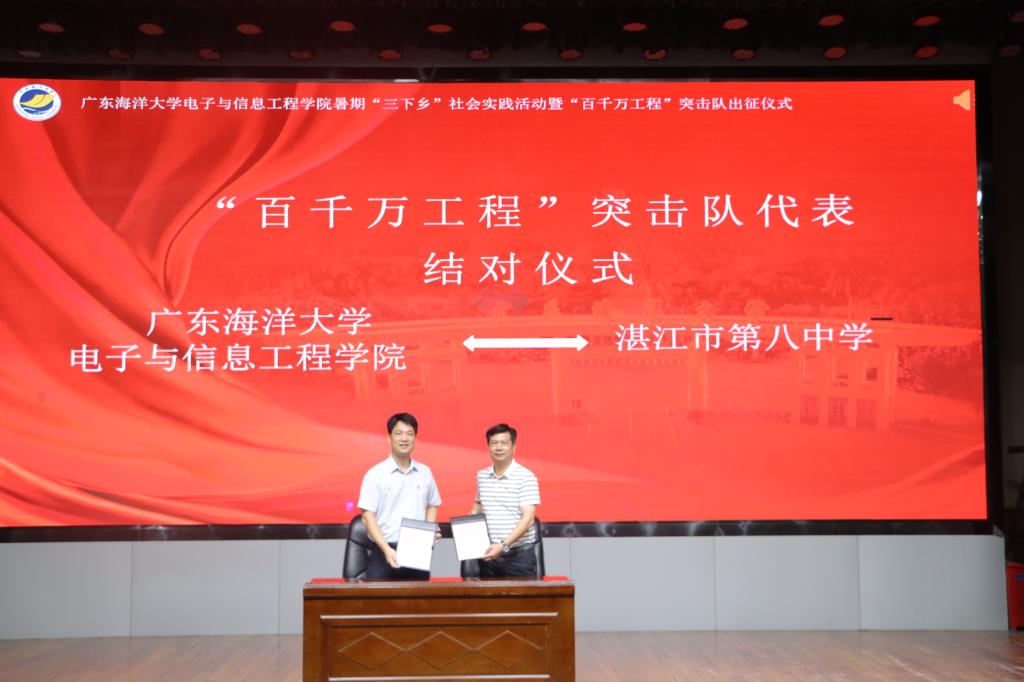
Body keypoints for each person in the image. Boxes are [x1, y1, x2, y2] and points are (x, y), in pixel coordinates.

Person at [357, 412, 441, 580]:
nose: (404, 438)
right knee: (380, 597)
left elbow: (432, 504)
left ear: (415, 439)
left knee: (420, 596)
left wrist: (428, 531)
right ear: (389, 438)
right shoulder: (376, 474)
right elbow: (367, 517)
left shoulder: (425, 472)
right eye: (399, 433)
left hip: (417, 552)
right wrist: (386, 549)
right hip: (384, 551)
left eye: (410, 434)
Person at [471, 423, 541, 577]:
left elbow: (528, 519)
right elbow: (478, 505)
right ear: (488, 447)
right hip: (489, 555)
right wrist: (468, 523)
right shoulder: (482, 476)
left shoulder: (526, 477)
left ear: (513, 447)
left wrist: (503, 545)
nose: (499, 447)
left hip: (519, 558)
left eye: (504, 443)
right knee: (487, 594)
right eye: (494, 443)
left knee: (521, 595)